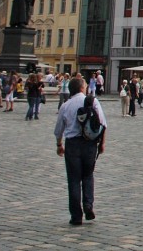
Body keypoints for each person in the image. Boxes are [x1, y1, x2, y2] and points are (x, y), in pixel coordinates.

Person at [54, 77, 106, 226]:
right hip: (90, 144)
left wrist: (59, 145)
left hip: (72, 145)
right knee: (88, 176)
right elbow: (103, 124)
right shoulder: (92, 101)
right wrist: (102, 144)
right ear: (83, 88)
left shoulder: (65, 105)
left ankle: (76, 216)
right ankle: (88, 205)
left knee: (74, 179)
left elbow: (58, 130)